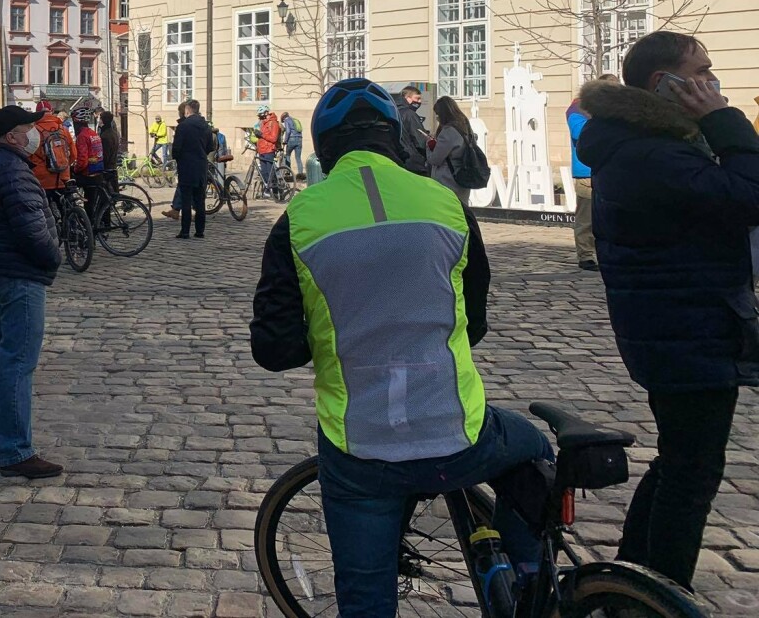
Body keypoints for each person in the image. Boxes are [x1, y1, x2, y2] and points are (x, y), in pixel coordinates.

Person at [251, 78, 552, 616]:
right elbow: (474, 322)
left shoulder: (298, 220)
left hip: (361, 442)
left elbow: (274, 350)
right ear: (396, 138)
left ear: (323, 145)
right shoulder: (445, 205)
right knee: (533, 448)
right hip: (460, 431)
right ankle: (530, 577)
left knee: (365, 601)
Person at [576, 32, 759, 591]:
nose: (712, 81)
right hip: (686, 328)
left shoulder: (647, 140)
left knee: (679, 462)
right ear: (665, 83)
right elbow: (749, 195)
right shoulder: (650, 150)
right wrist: (728, 121)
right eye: (701, 71)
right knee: (692, 472)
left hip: (681, 322)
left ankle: (635, 581)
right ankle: (659, 591)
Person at [0, 105, 62, 479]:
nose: (34, 135)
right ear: (12, 136)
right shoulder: (13, 171)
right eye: (28, 128)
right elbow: (32, 229)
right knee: (18, 362)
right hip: (19, 273)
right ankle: (16, 450)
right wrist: (53, 258)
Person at [566, 77, 619, 272]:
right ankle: (586, 255)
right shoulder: (577, 109)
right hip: (586, 171)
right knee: (586, 217)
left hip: (610, 168)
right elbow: (580, 132)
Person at [171, 99, 213, 239]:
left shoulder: (183, 126)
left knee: (186, 200)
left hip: (186, 166)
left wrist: (178, 158)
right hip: (201, 166)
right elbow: (210, 147)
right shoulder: (205, 126)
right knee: (200, 200)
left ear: (187, 110)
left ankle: (185, 231)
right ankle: (200, 231)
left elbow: (176, 148)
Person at [426, 95, 473, 205]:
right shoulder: (465, 126)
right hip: (463, 176)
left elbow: (435, 159)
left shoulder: (448, 132)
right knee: (462, 210)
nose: (437, 117)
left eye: (437, 114)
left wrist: (429, 145)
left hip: (447, 180)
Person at [71, 110, 105, 215]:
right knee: (91, 202)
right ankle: (93, 225)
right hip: (98, 171)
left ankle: (87, 225)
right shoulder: (93, 133)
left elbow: (82, 161)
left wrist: (75, 170)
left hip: (88, 174)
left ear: (76, 123)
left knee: (68, 183)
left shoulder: (82, 136)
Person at [393, 85, 431, 176]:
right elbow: (420, 140)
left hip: (398, 158)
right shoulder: (410, 114)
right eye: (417, 98)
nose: (419, 102)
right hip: (413, 161)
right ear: (407, 98)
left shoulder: (394, 112)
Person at [255, 106, 281, 196]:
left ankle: (275, 191)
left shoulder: (273, 123)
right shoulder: (263, 123)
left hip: (269, 150)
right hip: (261, 150)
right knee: (264, 172)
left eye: (261, 116)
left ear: (266, 113)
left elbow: (273, 138)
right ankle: (269, 191)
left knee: (270, 172)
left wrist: (261, 135)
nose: (260, 118)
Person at [98, 110, 121, 195]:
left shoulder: (105, 135)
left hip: (107, 167)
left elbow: (105, 154)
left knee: (106, 193)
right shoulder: (114, 133)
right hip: (113, 165)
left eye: (100, 119)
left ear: (103, 120)